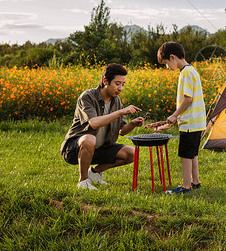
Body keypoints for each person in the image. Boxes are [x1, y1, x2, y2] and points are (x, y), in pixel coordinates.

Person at [60, 63, 144, 190]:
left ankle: (94, 172)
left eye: (123, 84)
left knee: (132, 153)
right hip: (74, 149)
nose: (120, 88)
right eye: (117, 83)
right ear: (105, 80)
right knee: (89, 139)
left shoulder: (116, 101)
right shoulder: (87, 97)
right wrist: (121, 112)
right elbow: (94, 123)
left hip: (100, 148)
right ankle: (83, 181)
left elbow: (122, 130)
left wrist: (133, 124)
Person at [152, 42, 206, 194]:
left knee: (185, 155)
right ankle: (195, 182)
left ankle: (186, 186)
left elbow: (188, 99)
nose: (167, 67)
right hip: (196, 122)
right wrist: (177, 118)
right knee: (192, 154)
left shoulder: (185, 73)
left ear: (172, 57)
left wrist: (175, 114)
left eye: (166, 63)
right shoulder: (191, 71)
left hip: (190, 123)